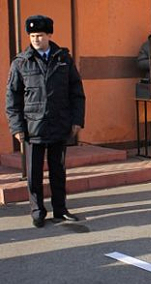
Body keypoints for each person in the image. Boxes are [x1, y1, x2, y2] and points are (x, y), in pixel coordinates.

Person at [6, 15, 85, 228]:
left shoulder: (63, 59)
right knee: (34, 173)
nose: (36, 39)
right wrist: (17, 127)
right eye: (32, 36)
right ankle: (38, 211)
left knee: (58, 170)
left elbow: (76, 92)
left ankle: (60, 209)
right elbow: (12, 98)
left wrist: (77, 120)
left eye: (40, 35)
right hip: (33, 127)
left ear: (49, 35)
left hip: (59, 123)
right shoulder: (21, 62)